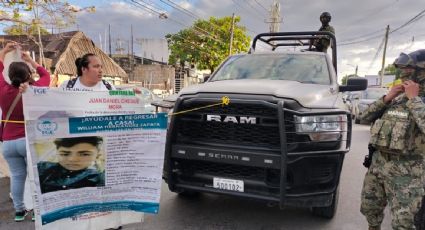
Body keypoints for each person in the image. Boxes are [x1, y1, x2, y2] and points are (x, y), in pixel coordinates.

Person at [360, 49, 425, 230]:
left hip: (408, 173)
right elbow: (363, 118)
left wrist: (414, 99)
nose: (403, 73)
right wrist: (387, 98)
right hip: (379, 166)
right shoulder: (397, 98)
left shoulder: (416, 100)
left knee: (403, 223)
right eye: (402, 69)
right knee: (369, 209)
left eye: (408, 69)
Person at [0, 42, 50, 221]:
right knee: (35, 177)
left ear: (10, 76)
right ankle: (38, 212)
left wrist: (5, 51)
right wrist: (30, 60)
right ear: (28, 75)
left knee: (17, 177)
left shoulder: (3, 91)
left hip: (8, 144)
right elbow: (46, 75)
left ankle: (19, 211)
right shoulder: (36, 91)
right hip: (28, 141)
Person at [37, 136, 105, 194]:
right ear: (57, 153)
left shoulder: (99, 178)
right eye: (65, 154)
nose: (72, 159)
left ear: (97, 156)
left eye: (84, 154)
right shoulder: (42, 168)